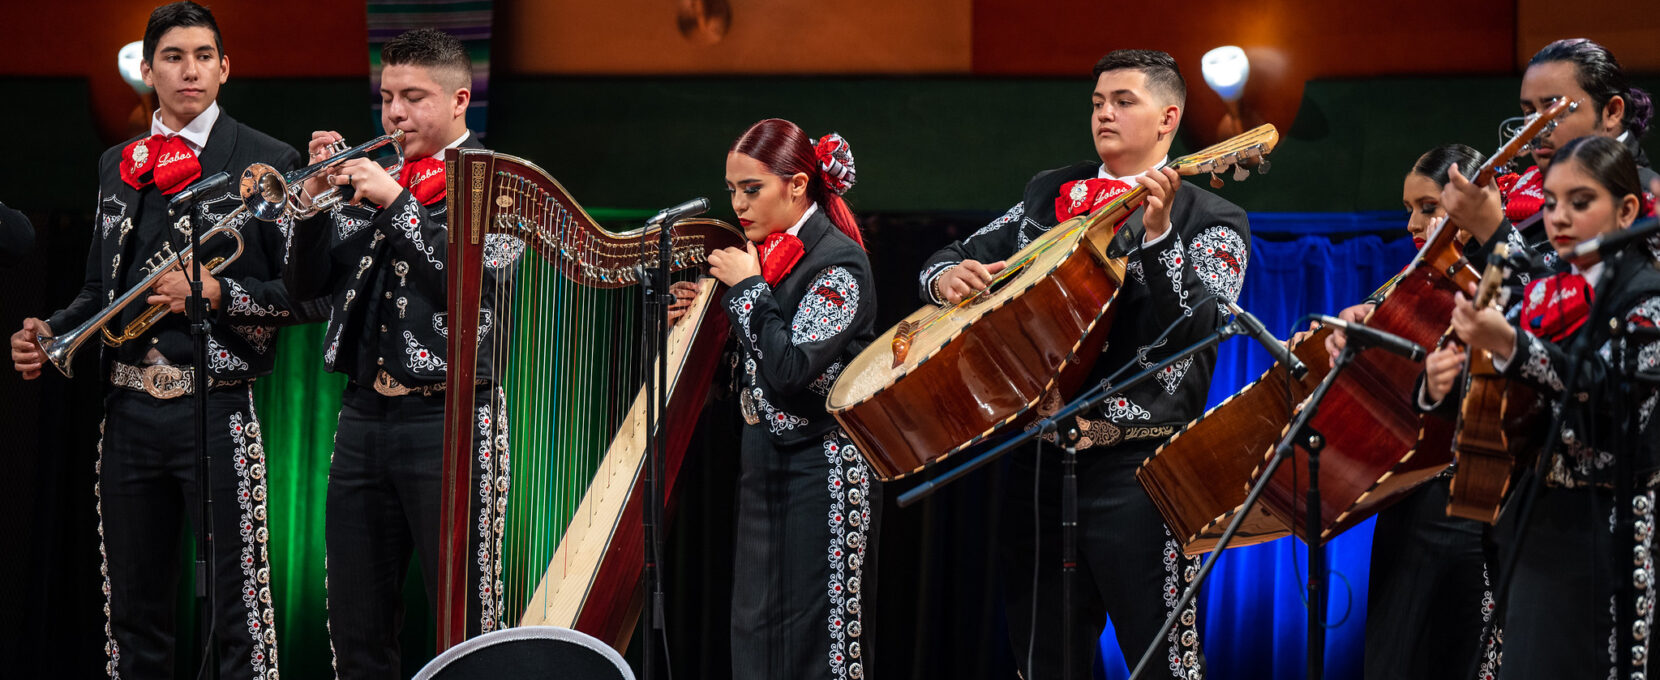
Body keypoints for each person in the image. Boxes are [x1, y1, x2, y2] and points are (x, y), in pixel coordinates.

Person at [916, 49, 1249, 678]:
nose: (1105, 113)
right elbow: (954, 252)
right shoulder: (1052, 194)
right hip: (1037, 464)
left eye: (1124, 101)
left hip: (1142, 475)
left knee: (1165, 664)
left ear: (1167, 118)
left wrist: (1159, 239)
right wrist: (945, 278)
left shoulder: (1215, 221)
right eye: (1098, 102)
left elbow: (1198, 333)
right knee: (1044, 660)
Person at [8, 3, 303, 677]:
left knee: (241, 614)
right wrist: (51, 330)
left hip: (219, 407)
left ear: (225, 68)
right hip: (128, 410)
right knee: (131, 615)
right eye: (173, 56)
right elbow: (97, 290)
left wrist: (218, 292)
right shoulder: (117, 162)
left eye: (203, 55)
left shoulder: (268, 159)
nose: (189, 69)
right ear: (148, 70)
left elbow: (301, 297)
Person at [283, 27, 516, 677]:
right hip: (363, 419)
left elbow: (480, 286)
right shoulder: (378, 179)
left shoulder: (499, 182)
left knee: (466, 623)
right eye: (388, 98)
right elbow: (304, 292)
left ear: (459, 100)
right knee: (356, 625)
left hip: (452, 421)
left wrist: (399, 206)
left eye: (413, 98)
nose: (394, 115)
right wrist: (307, 207)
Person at [1424, 135, 1660, 679]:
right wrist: (1444, 385)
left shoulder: (1646, 295)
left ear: (1627, 209)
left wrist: (1509, 345)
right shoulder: (1544, 292)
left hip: (1614, 530)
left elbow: (1612, 396)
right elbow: (1511, 398)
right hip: (1537, 526)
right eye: (1550, 202)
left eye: (1580, 202)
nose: (1559, 217)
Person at [668, 118, 878, 680]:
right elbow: (752, 362)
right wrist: (698, 319)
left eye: (751, 189)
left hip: (823, 466)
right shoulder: (764, 254)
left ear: (797, 186)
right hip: (763, 458)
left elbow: (788, 372)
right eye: (732, 189)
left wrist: (745, 289)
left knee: (815, 634)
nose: (738, 203)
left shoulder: (839, 262)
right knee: (756, 627)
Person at [1358, 144, 1504, 680]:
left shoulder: (1508, 274)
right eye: (1408, 210)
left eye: (1426, 206)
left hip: (1478, 502)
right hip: (1409, 494)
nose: (1414, 224)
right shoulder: (1411, 285)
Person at [1441, 38, 1655, 267]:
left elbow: (1574, 297)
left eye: (1554, 110)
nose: (1535, 129)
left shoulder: (1647, 202)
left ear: (1612, 112)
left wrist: (1492, 231)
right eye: (1529, 111)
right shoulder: (1533, 186)